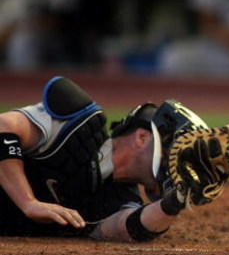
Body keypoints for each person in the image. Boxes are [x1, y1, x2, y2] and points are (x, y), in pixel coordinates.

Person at [0, 76, 217, 241]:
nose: (179, 164)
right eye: (175, 149)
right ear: (142, 137)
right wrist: (28, 202)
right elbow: (3, 127)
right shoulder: (76, 121)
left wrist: (175, 201)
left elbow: (127, 228)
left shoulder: (121, 199)